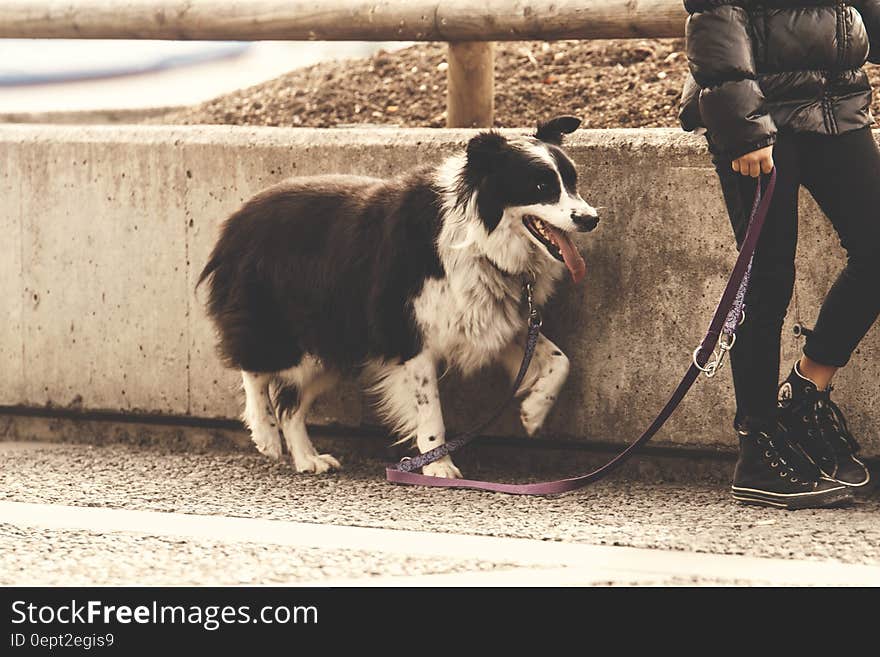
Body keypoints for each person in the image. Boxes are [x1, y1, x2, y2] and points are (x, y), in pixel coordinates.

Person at [680, 0, 879, 508]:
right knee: (767, 278)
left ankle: (806, 396)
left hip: (838, 106)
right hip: (761, 115)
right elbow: (714, 14)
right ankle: (758, 445)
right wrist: (743, 125)